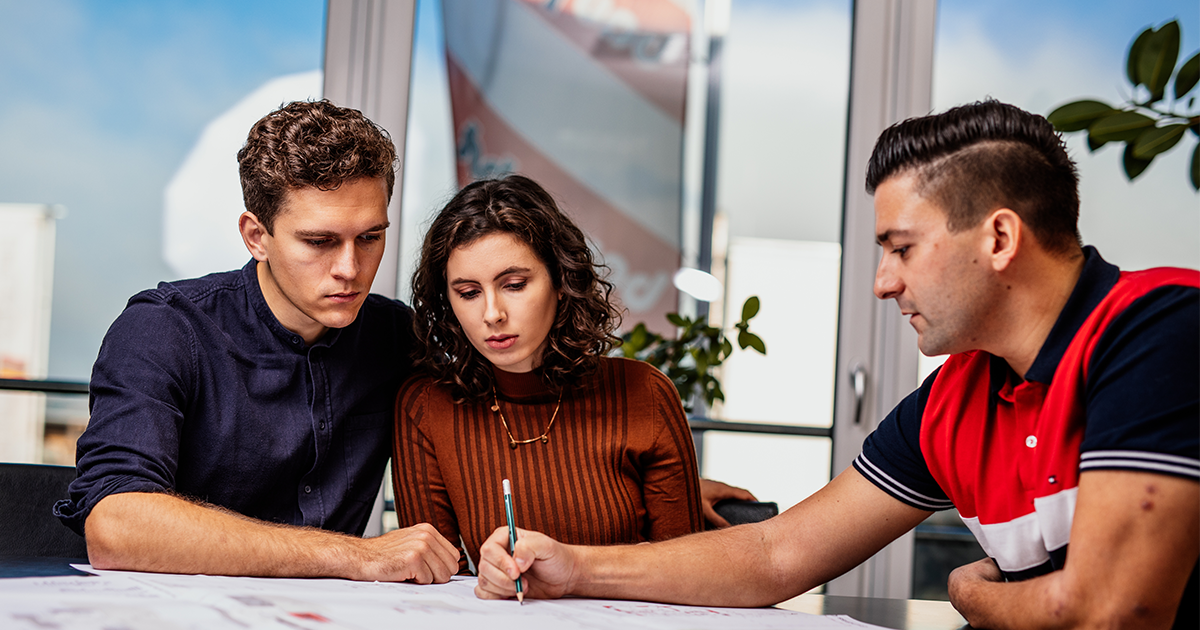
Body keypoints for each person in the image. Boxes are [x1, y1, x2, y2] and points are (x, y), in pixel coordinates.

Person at [473, 100, 1199, 628]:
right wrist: (576, 567)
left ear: (1000, 238)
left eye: (901, 248)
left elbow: (1114, 610)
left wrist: (973, 595)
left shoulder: (1163, 329)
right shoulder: (953, 401)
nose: (883, 282)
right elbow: (778, 555)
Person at [53, 100, 459, 582]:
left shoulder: (397, 337)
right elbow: (116, 525)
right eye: (319, 241)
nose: (350, 269)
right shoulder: (164, 329)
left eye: (370, 237)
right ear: (256, 236)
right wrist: (356, 555)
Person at [392, 174, 709, 571]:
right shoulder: (426, 408)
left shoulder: (645, 395)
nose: (492, 314)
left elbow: (687, 575)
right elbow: (437, 585)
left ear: (561, 280)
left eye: (514, 284)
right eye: (469, 293)